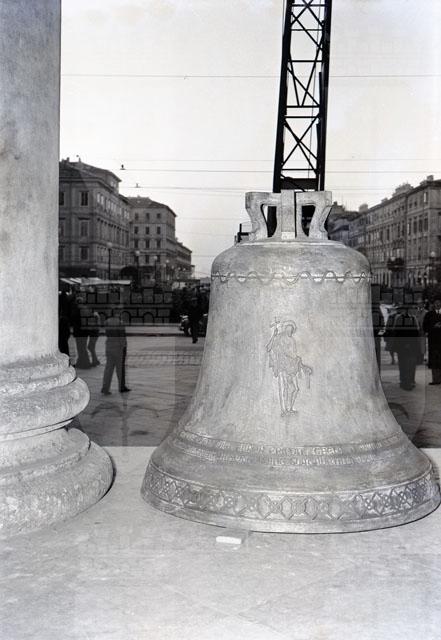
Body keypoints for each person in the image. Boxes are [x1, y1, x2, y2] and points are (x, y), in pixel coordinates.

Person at [391, 305, 421, 391]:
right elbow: (397, 332)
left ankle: (410, 380)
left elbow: (416, 332)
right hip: (402, 346)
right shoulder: (399, 318)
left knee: (412, 364)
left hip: (412, 345)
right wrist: (403, 344)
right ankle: (404, 381)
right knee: (403, 364)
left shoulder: (413, 318)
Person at [101, 311, 130, 395]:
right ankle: (121, 387)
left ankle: (105, 387)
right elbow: (122, 337)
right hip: (118, 347)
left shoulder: (106, 322)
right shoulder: (120, 323)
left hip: (109, 346)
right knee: (120, 369)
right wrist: (124, 347)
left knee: (108, 369)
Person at [423, 298, 441, 385]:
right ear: (434, 304)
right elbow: (425, 327)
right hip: (433, 341)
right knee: (434, 360)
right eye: (436, 303)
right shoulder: (429, 314)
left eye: (439, 303)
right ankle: (435, 379)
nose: (438, 304)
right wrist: (434, 327)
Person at [70, 296, 92, 369]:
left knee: (80, 348)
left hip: (79, 331)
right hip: (85, 331)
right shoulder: (86, 309)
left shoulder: (77, 309)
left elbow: (73, 319)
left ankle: (85, 364)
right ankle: (82, 363)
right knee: (83, 347)